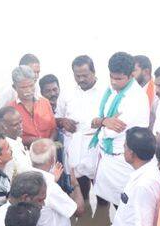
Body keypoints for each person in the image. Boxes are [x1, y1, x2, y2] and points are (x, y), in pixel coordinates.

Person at [91, 52, 151, 207]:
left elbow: (111, 131)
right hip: (107, 157)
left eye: (118, 78)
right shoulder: (112, 89)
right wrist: (104, 121)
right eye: (111, 77)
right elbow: (97, 121)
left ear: (131, 75)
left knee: (125, 206)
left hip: (124, 161)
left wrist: (101, 123)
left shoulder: (135, 98)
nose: (113, 82)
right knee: (109, 200)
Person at [29, 138, 85, 226]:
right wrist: (75, 184)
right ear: (53, 160)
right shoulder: (50, 187)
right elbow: (79, 211)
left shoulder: (26, 177)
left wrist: (52, 179)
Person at [55, 55, 106, 201]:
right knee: (81, 190)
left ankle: (102, 216)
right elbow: (56, 118)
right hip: (75, 146)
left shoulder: (106, 91)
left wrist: (102, 122)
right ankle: (85, 215)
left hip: (98, 147)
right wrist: (63, 121)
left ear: (94, 72)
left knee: (103, 193)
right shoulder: (67, 92)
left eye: (85, 75)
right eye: (77, 76)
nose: (81, 79)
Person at [9, 65, 57, 147]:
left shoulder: (45, 102)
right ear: (14, 87)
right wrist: (34, 141)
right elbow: (11, 138)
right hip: (25, 155)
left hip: (48, 153)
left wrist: (50, 143)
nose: (28, 90)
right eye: (23, 87)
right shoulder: (10, 109)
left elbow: (54, 129)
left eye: (31, 86)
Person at [0, 106, 34, 179]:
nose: (20, 126)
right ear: (3, 126)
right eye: (15, 124)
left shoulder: (17, 140)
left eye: (21, 122)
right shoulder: (3, 146)